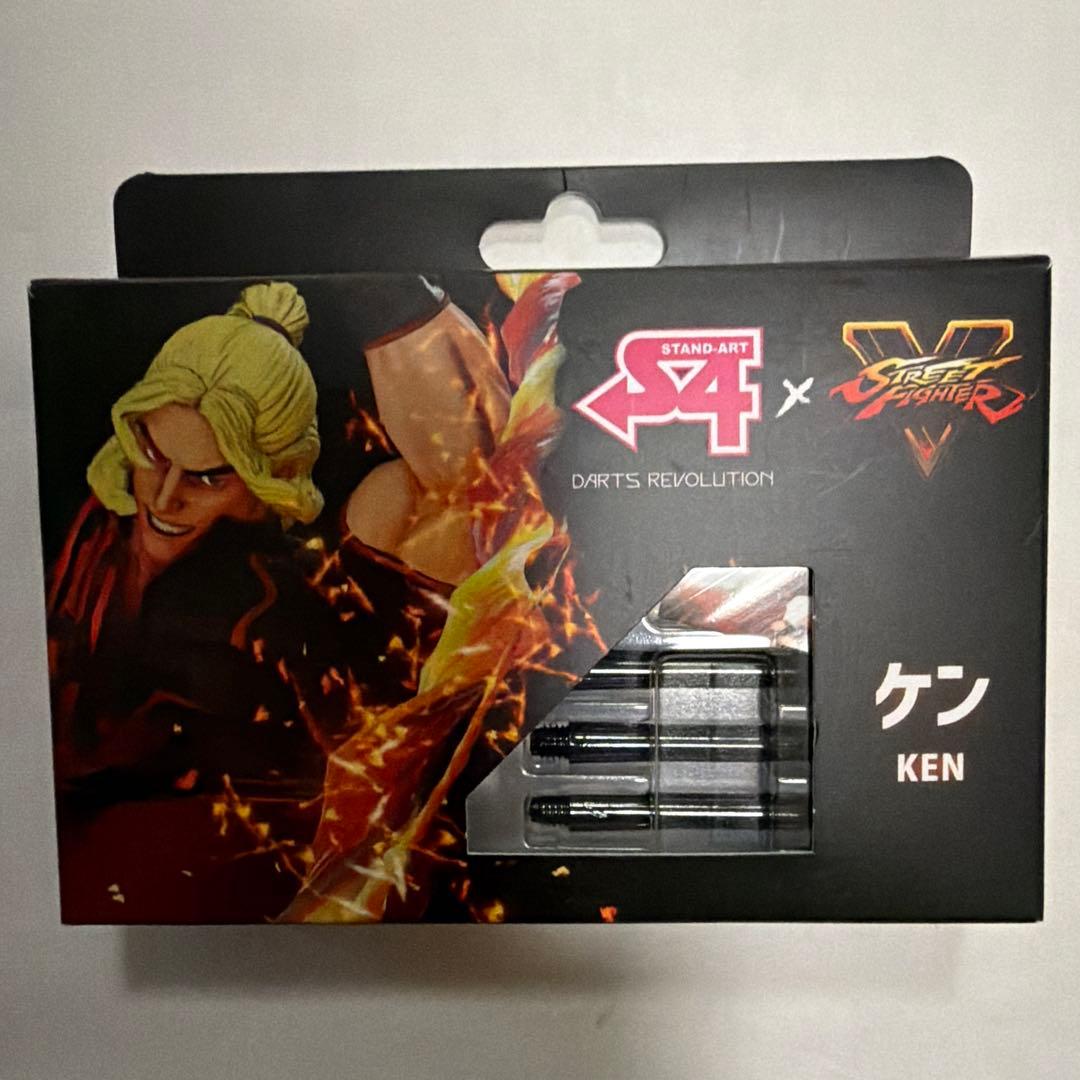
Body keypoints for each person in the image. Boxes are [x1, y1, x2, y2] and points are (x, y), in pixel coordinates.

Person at [47, 282, 370, 922]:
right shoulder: (84, 532)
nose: (164, 497)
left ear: (270, 484)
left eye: (205, 476)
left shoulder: (279, 623)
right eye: (152, 454)